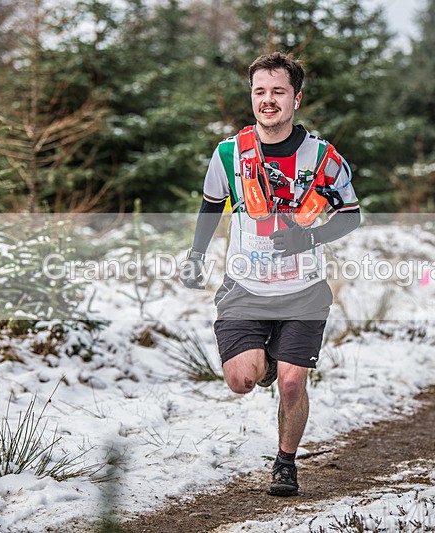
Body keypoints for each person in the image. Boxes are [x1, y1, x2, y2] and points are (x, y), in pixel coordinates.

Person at [179, 52, 361, 497]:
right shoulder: (228, 154)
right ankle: (266, 363)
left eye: (278, 91)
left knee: (293, 383)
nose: (268, 100)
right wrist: (197, 254)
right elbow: (209, 206)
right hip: (245, 287)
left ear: (296, 98)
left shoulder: (323, 157)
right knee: (242, 380)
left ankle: (285, 463)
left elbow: (352, 215)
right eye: (260, 91)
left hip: (304, 291)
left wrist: (309, 239)